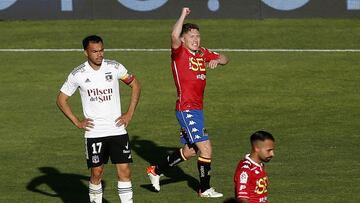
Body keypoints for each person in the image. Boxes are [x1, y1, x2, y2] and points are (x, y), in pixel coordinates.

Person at [146, 7, 229, 198]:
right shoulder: (179, 53)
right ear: (183, 39)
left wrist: (217, 60)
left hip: (197, 109)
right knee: (206, 148)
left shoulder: (202, 52)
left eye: (198, 36)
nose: (195, 39)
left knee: (191, 150)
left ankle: (156, 171)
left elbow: (226, 58)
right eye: (191, 36)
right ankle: (205, 189)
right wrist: (182, 14)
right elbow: (173, 35)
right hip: (186, 109)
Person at [56, 35, 141, 203]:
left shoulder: (114, 67)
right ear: (85, 52)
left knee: (125, 171)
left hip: (117, 129)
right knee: (97, 173)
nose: (99, 54)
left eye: (101, 50)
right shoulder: (78, 74)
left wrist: (129, 113)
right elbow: (61, 99)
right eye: (94, 51)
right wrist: (77, 122)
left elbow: (135, 85)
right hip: (94, 133)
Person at [233, 131, 275, 203]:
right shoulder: (245, 170)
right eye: (269, 150)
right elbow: (242, 199)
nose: (272, 154)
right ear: (257, 148)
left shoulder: (259, 165)